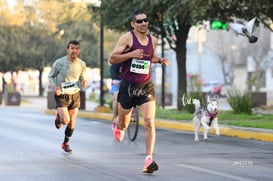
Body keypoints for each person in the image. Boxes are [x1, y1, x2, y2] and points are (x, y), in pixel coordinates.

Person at [109, 10, 169, 173]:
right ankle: (117, 125)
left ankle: (148, 159)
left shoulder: (153, 40)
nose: (144, 23)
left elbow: (150, 57)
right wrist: (131, 54)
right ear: (133, 24)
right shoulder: (127, 38)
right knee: (124, 124)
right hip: (128, 87)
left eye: (146, 21)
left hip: (145, 86)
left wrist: (160, 60)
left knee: (149, 121)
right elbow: (112, 58)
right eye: (140, 21)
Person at [48, 40, 88, 153]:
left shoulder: (82, 64)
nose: (74, 50)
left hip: (75, 94)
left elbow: (82, 79)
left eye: (76, 48)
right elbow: (50, 76)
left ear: (79, 51)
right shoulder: (59, 62)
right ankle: (59, 117)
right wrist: (54, 86)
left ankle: (65, 143)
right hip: (61, 94)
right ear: (67, 50)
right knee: (65, 120)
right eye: (72, 48)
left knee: (72, 121)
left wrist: (84, 82)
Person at [110, 63, 122, 129]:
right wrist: (114, 79)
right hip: (117, 81)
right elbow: (113, 69)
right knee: (117, 96)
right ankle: (115, 119)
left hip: (127, 80)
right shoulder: (118, 59)